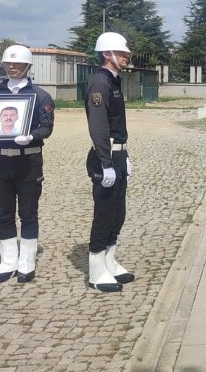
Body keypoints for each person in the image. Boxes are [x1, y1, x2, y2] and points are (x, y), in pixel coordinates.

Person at [0, 45, 55, 284]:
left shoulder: (41, 96)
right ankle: (7, 261)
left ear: (27, 66)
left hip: (28, 162)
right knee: (3, 213)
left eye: (18, 64)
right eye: (8, 64)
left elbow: (47, 127)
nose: (12, 67)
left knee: (28, 213)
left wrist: (32, 136)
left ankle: (27, 261)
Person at [84, 32, 135, 293]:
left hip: (117, 154)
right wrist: (106, 162)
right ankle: (96, 270)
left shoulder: (113, 81)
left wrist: (124, 157)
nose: (126, 56)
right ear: (107, 54)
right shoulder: (99, 83)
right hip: (106, 156)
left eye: (126, 52)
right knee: (104, 213)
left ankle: (109, 261)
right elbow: (99, 127)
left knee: (118, 212)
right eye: (121, 52)